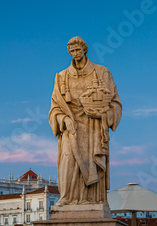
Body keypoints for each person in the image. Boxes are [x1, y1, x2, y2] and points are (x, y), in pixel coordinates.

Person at [49, 36, 122, 205]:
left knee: (91, 163)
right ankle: (67, 198)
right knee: (67, 159)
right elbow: (54, 108)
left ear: (84, 50)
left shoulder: (102, 72)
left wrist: (104, 114)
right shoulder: (61, 77)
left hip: (93, 127)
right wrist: (63, 119)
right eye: (71, 51)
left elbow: (116, 104)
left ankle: (91, 199)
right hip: (71, 126)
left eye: (77, 50)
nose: (75, 54)